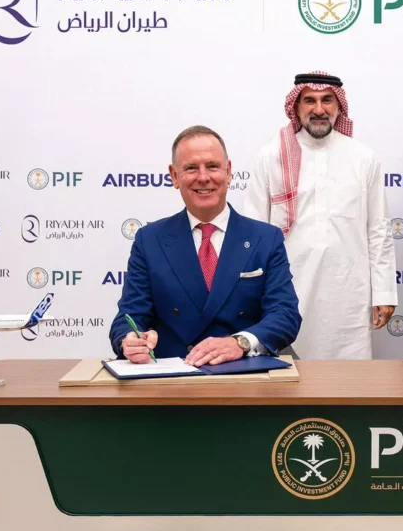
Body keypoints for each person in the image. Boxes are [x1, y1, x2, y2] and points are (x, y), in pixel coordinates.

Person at [109, 126, 301, 366]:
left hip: (245, 380)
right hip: (171, 381)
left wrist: (239, 343)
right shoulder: (149, 240)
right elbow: (129, 317)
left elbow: (285, 316)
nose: (203, 177)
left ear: (228, 171)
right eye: (191, 168)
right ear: (174, 176)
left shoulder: (266, 238)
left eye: (212, 166)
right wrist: (130, 340)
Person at [244, 71, 396, 360]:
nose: (318, 109)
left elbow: (378, 229)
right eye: (309, 100)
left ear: (339, 106)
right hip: (285, 291)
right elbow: (253, 232)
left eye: (327, 100)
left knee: (349, 384)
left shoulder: (363, 157)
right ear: (296, 106)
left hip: (348, 293)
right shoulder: (271, 157)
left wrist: (384, 293)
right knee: (287, 384)